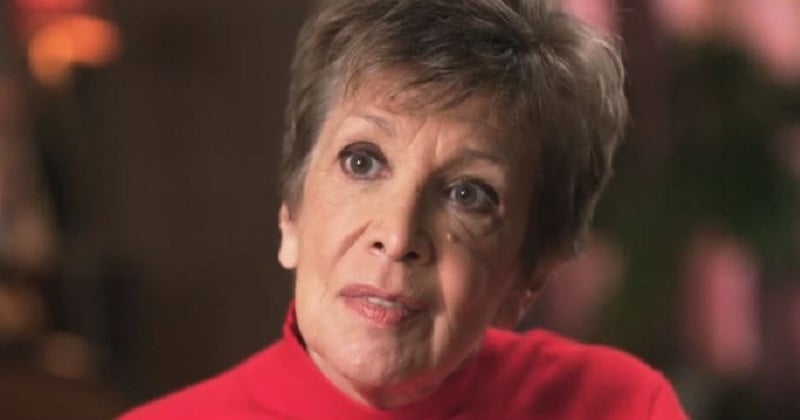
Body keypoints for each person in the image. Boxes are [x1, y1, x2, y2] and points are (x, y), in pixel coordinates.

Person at [122, 0, 688, 418]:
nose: (397, 236)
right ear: (290, 215)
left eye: (468, 195)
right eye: (362, 162)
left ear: (526, 279)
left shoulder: (618, 407)